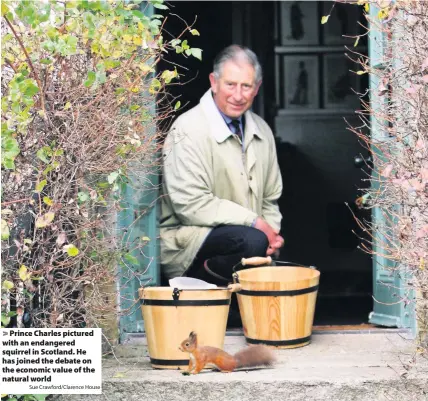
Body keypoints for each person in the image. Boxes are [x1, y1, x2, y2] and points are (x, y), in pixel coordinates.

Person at [160, 44, 284, 286]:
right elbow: (190, 204)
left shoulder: (262, 131)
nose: (238, 95)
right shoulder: (187, 129)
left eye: (246, 86)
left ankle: (235, 294)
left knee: (263, 247)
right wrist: (256, 224)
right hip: (189, 242)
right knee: (252, 242)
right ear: (213, 82)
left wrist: (272, 235)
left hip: (246, 239)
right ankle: (208, 284)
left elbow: (270, 197)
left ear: (256, 89)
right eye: (230, 84)